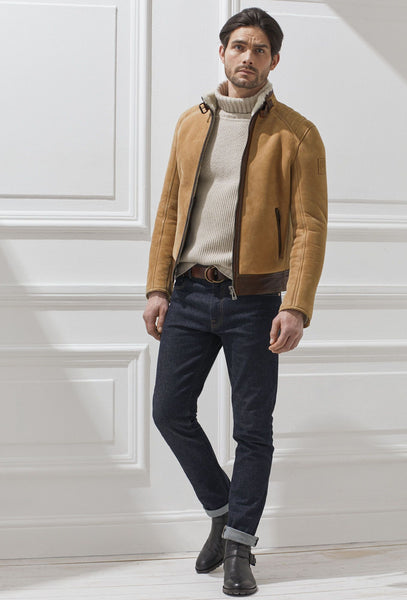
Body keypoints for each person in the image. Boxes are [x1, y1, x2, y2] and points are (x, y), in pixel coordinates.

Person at [143, 7, 327, 596]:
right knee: (169, 411)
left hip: (255, 301)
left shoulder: (297, 134)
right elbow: (168, 210)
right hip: (189, 293)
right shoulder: (190, 123)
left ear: (275, 60)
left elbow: (310, 226)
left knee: (253, 429)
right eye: (239, 46)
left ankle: (240, 547)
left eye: (260, 49)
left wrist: (296, 304)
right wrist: (157, 287)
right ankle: (224, 514)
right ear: (222, 52)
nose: (248, 57)